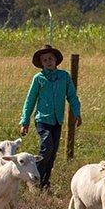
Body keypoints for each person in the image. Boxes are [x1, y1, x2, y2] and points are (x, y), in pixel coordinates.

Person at [19, 44, 81, 192]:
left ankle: (44, 183)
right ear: (41, 63)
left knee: (52, 153)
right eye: (45, 60)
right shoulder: (38, 78)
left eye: (50, 58)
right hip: (42, 119)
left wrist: (77, 113)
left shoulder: (64, 77)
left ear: (56, 60)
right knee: (47, 147)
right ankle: (34, 179)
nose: (48, 62)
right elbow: (30, 100)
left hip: (57, 120)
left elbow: (72, 96)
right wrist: (25, 121)